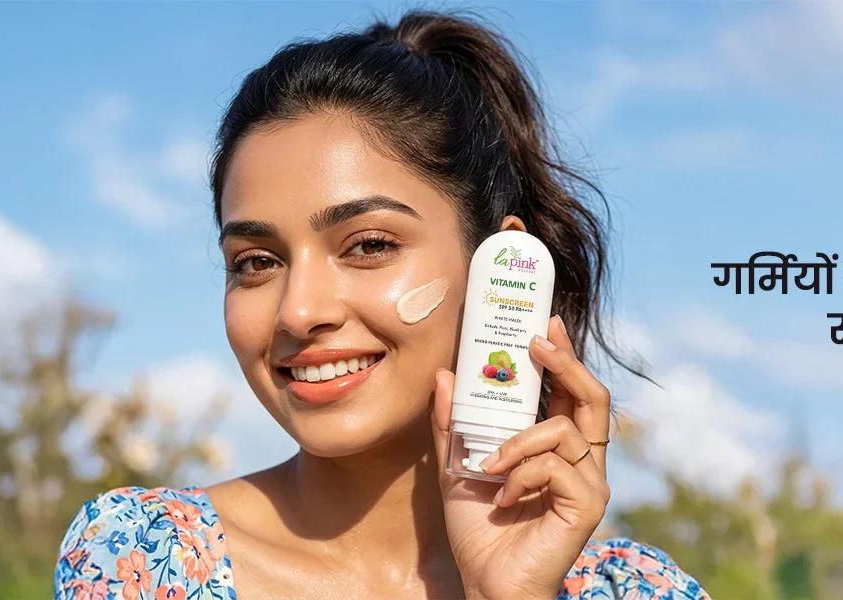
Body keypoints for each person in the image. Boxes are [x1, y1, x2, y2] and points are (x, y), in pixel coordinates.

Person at [54, 9, 707, 599]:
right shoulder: (142, 559)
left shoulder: (639, 590)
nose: (297, 312)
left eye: (366, 245)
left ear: (502, 268)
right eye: (256, 262)